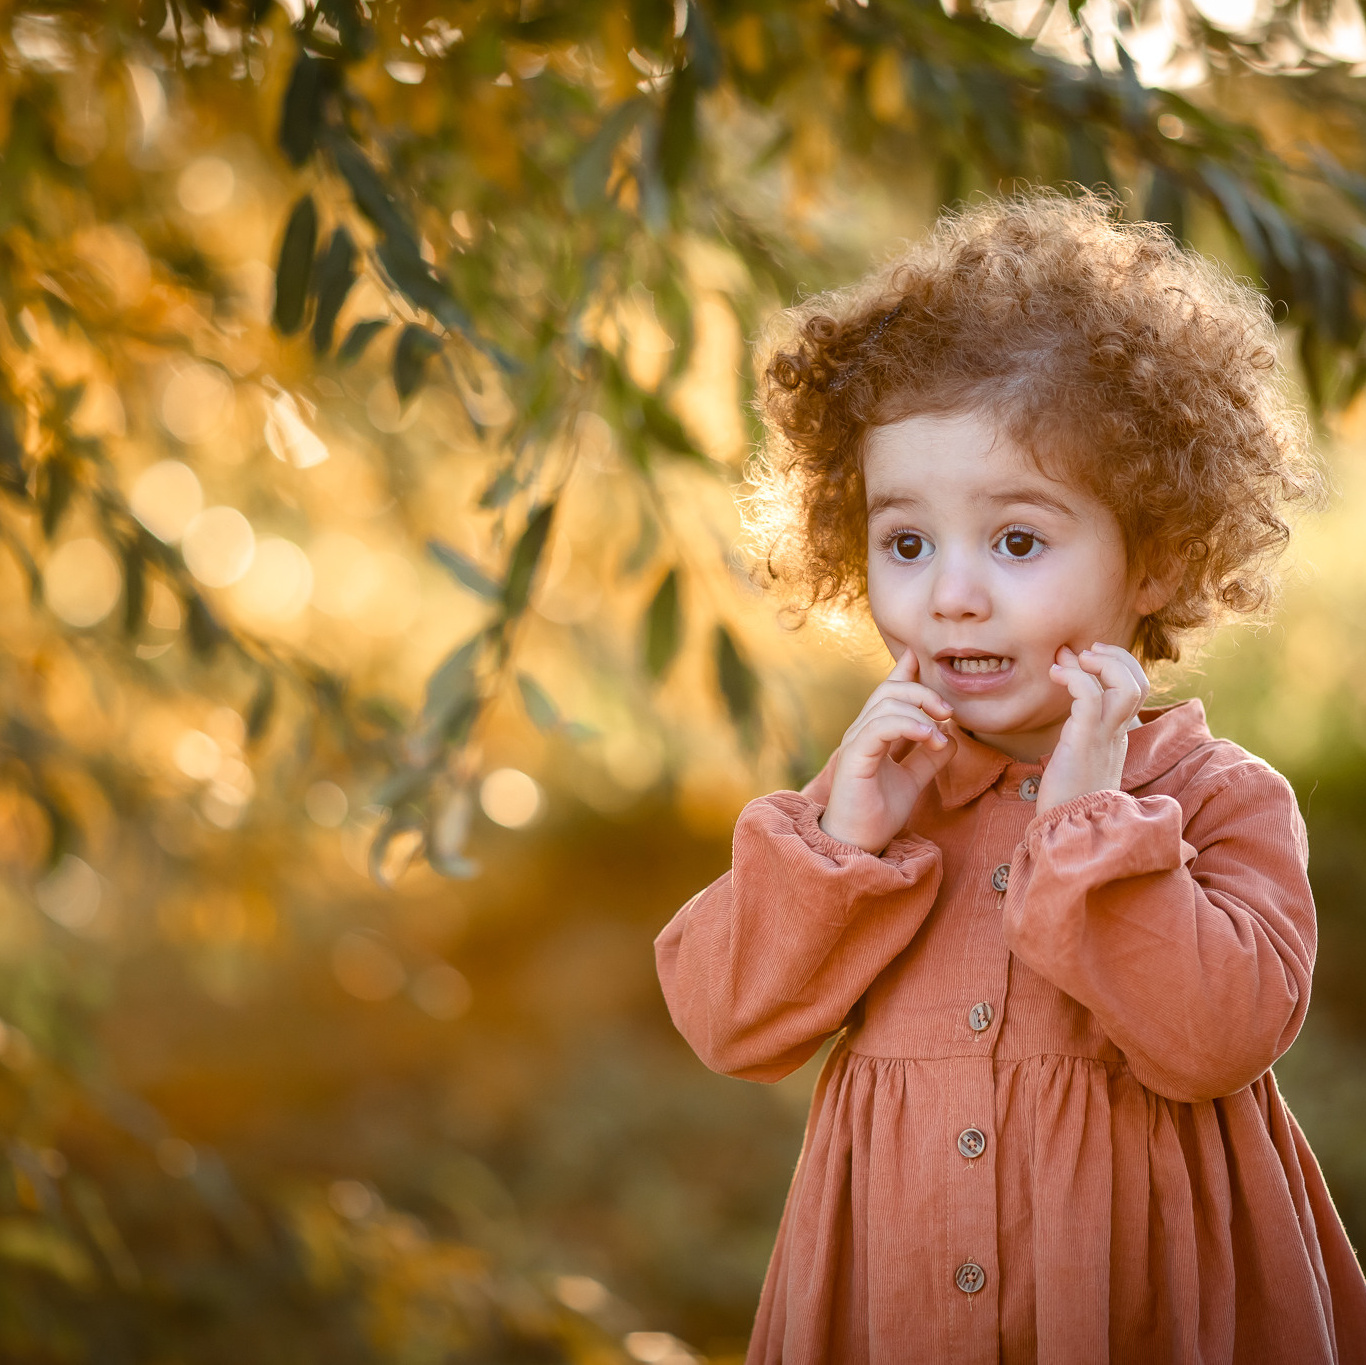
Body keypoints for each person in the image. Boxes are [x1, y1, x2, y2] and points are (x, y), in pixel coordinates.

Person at [654, 191, 1366, 1363]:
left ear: (1157, 557)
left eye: (1018, 541)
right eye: (905, 542)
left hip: (1147, 1308)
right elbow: (732, 1026)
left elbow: (1213, 1040)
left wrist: (1093, 822)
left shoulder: (1217, 800)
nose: (951, 594)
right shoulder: (876, 793)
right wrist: (844, 841)